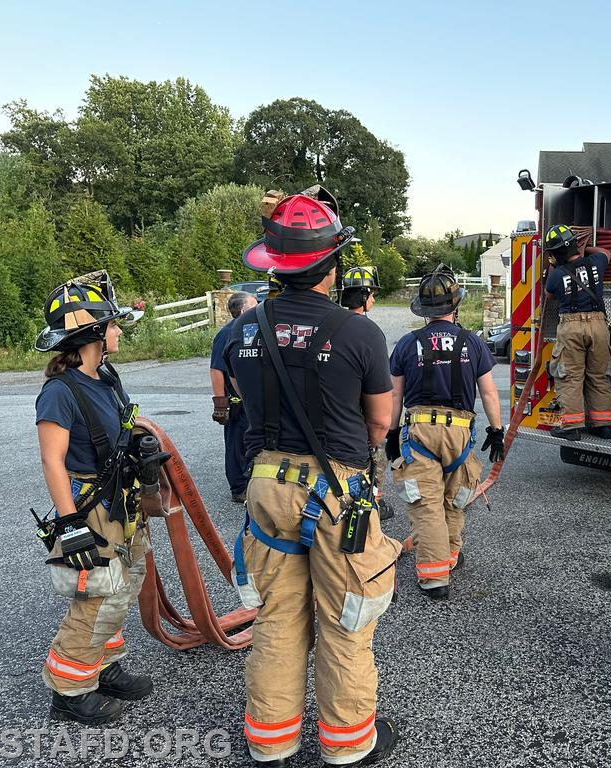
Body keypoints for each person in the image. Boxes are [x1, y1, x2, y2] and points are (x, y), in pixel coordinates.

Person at [227, 188, 402, 766]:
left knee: (276, 617)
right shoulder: (358, 332)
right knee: (346, 616)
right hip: (339, 495)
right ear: (332, 263)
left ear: (273, 263)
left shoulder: (242, 333)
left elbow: (242, 408)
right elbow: (380, 422)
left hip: (267, 485)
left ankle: (272, 741)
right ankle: (347, 743)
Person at [34, 271, 163, 724]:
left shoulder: (106, 377)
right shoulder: (59, 392)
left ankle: (102, 667)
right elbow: (53, 462)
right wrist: (70, 528)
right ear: (92, 335)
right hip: (91, 513)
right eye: (112, 325)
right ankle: (69, 691)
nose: (119, 331)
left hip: (122, 507)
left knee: (121, 591)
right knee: (96, 599)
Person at [387, 264, 504, 600]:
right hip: (459, 433)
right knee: (456, 498)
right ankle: (449, 557)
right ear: (456, 307)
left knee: (427, 504)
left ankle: (435, 576)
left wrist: (392, 434)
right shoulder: (473, 343)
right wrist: (496, 431)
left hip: (420, 432)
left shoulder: (408, 344)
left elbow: (395, 394)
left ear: (424, 312)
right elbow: (490, 392)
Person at [543, 224, 611, 440]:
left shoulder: (556, 275)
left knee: (570, 376)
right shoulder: (596, 262)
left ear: (555, 254)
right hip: (599, 325)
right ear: (575, 245)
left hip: (571, 326)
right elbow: (606, 253)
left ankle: (571, 428)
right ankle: (603, 425)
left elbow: (550, 296)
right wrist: (586, 248)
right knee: (599, 375)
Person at [340, 265, 395, 521]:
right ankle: (373, 503)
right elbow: (380, 385)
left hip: (340, 411)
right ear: (362, 297)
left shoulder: (331, 325)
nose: (373, 299)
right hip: (363, 410)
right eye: (371, 294)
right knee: (375, 459)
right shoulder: (369, 333)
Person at [210, 290, 257, 503]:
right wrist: (221, 403)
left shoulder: (250, 330)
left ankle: (251, 482)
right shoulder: (226, 333)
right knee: (236, 445)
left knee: (250, 442)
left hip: (250, 399)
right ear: (242, 310)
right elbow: (217, 369)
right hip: (234, 402)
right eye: (254, 306)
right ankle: (238, 488)